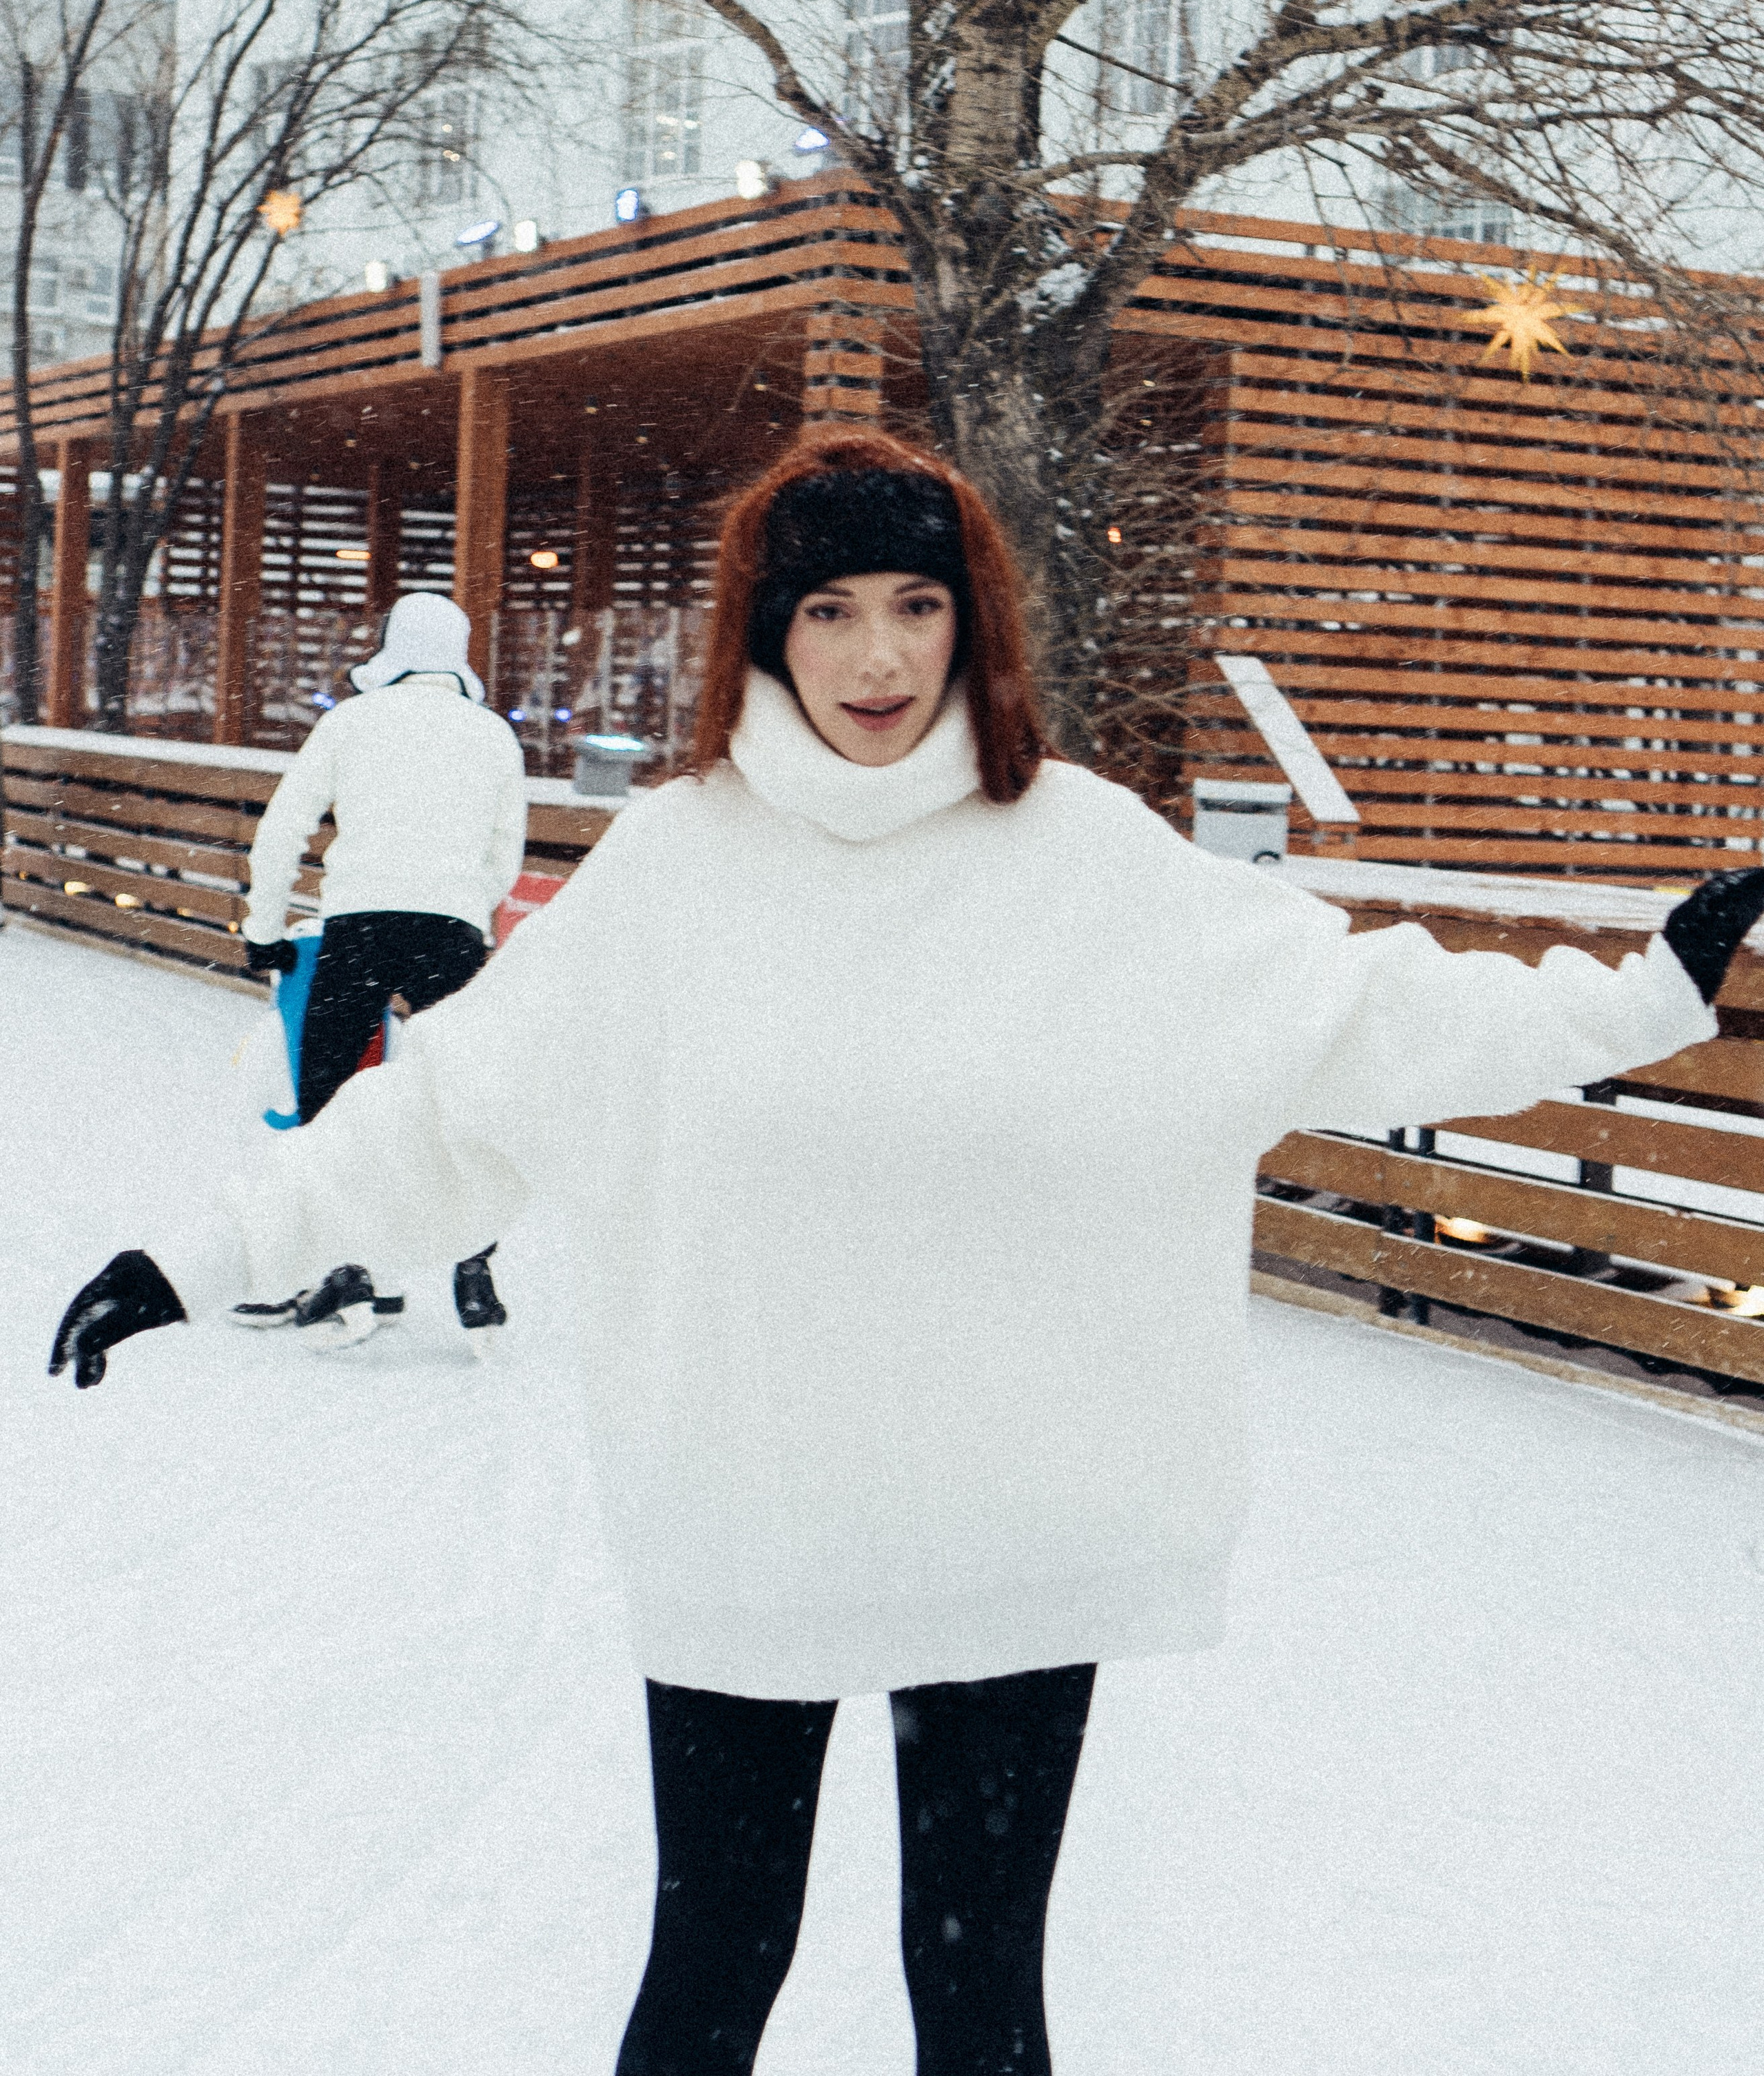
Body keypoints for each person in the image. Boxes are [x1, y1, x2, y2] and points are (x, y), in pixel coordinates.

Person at [50, 427, 1763, 2075]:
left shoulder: (1084, 860)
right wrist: (202, 1255)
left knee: (979, 1995)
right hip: (753, 1509)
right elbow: (454, 1114)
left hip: (1005, 1518)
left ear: (972, 618)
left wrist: (1639, 989)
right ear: (767, 635)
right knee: (715, 1961)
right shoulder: (681, 871)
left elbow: (1362, 1001)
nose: (876, 654)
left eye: (915, 603)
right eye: (828, 609)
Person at [232, 589, 529, 1348]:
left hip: (359, 929)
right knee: (455, 1103)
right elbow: (506, 857)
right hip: (455, 935)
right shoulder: (493, 736)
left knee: (331, 1106)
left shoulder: (350, 722)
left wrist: (264, 931)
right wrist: (458, 906)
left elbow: (282, 829)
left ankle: (350, 1272)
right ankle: (475, 1272)